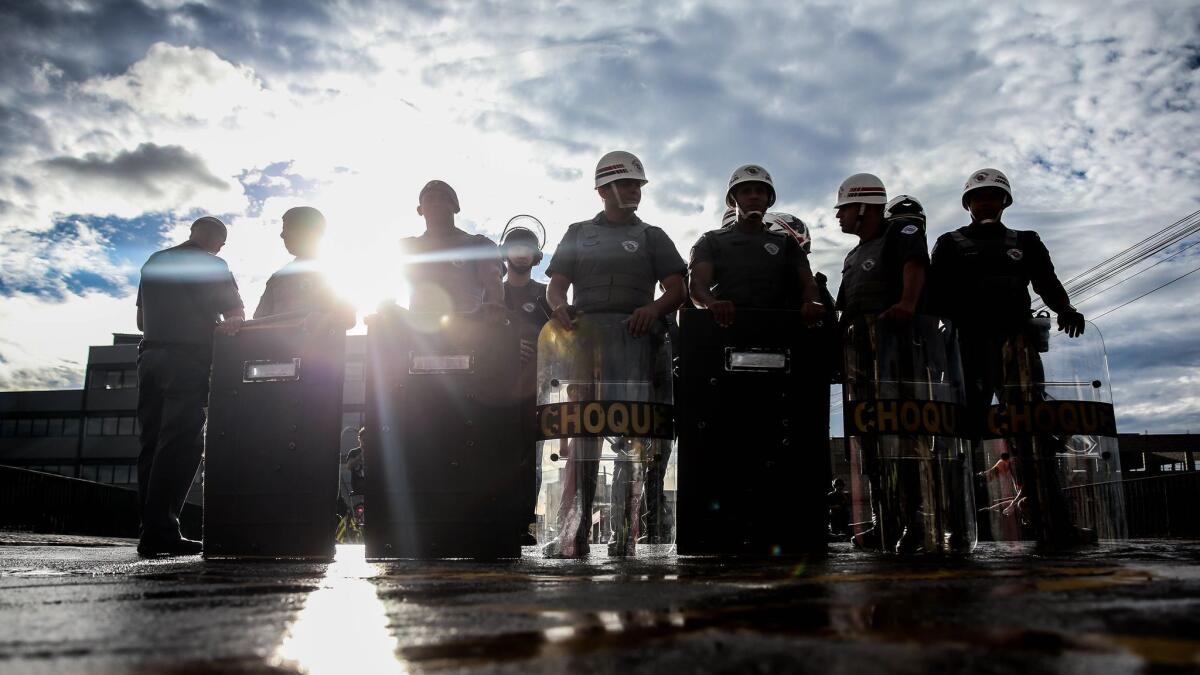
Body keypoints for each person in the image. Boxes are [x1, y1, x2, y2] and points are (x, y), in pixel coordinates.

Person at [929, 167, 1087, 546]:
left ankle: (1049, 519)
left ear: (1005, 201)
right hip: (967, 346)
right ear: (968, 203)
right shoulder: (950, 242)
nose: (986, 202)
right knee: (960, 433)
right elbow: (933, 295)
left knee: (1031, 431)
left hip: (1017, 344)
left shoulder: (1026, 241)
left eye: (993, 196)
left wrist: (1065, 308)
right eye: (979, 196)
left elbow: (1046, 280)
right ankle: (956, 524)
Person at [542, 150, 687, 557]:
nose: (634, 192)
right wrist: (558, 307)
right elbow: (556, 286)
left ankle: (624, 534)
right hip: (586, 345)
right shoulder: (577, 232)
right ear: (603, 189)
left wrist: (653, 309)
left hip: (637, 345)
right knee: (583, 438)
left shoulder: (653, 236)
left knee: (631, 440)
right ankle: (576, 532)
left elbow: (677, 289)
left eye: (637, 185)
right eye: (625, 185)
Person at [134, 216, 244, 556]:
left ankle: (149, 527)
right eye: (221, 243)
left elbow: (140, 321)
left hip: (149, 358)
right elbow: (235, 315)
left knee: (151, 445)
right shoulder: (212, 264)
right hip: (187, 360)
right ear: (217, 241)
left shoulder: (155, 261)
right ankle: (162, 531)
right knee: (180, 443)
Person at [833, 174, 931, 553]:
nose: (838, 217)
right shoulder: (853, 255)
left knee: (904, 435)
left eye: (842, 209)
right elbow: (846, 308)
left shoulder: (900, 231)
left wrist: (907, 303)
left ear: (862, 207)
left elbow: (914, 265)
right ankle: (884, 518)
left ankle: (917, 521)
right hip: (859, 350)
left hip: (895, 344)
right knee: (869, 440)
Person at [688, 165, 825, 327]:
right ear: (734, 199)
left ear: (768, 199)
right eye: (746, 191)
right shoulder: (710, 240)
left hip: (779, 329)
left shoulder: (787, 243)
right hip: (725, 328)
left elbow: (809, 284)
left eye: (760, 191)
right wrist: (711, 303)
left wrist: (812, 304)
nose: (754, 196)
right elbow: (697, 286)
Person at [500, 216, 550, 545]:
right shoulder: (491, 292)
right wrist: (505, 347)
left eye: (528, 248)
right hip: (494, 390)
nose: (521, 253)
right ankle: (493, 516)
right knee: (494, 453)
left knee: (530, 458)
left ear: (536, 256)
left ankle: (521, 522)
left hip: (535, 389)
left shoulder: (548, 295)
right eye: (515, 246)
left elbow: (562, 336)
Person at [400, 180, 505, 318]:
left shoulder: (479, 244)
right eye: (430, 199)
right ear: (420, 210)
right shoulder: (408, 247)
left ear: (455, 206)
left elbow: (494, 286)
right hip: (419, 331)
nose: (436, 203)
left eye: (443, 198)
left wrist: (492, 314)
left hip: (468, 328)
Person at [254, 206, 355, 327]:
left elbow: (349, 318)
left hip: (320, 345)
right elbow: (258, 322)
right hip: (276, 345)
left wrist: (325, 320)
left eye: (288, 228)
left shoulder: (336, 271)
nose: (282, 235)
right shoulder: (277, 278)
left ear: (309, 230)